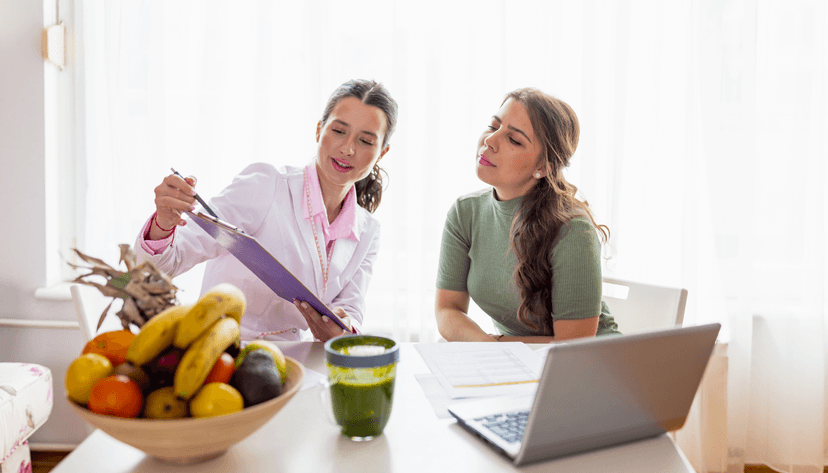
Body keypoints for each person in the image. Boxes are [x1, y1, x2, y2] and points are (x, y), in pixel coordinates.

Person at [134, 79, 397, 342]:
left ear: (382, 152)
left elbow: (351, 311)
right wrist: (164, 223)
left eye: (365, 140)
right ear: (319, 130)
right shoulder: (265, 185)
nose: (348, 149)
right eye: (339, 131)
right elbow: (167, 264)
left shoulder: (368, 232)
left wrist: (341, 329)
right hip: (221, 349)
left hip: (294, 364)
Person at [435, 87, 619, 343]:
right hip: (516, 361)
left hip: (588, 367)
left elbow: (573, 347)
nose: (489, 140)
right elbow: (447, 310)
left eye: (514, 140)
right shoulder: (465, 213)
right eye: (493, 126)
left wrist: (496, 348)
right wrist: (488, 347)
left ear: (543, 167)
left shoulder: (573, 228)